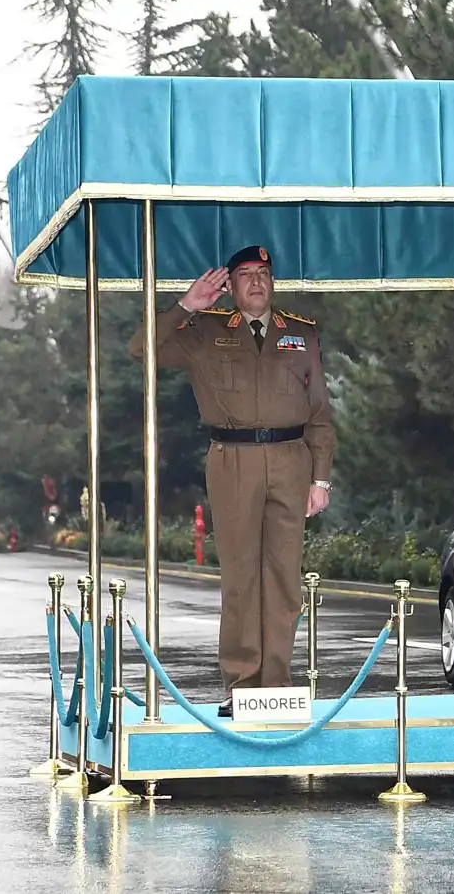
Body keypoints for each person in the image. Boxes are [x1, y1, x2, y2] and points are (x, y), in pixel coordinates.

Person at [128, 244, 334, 717]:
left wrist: (321, 479)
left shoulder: (300, 335)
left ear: (273, 281)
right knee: (240, 575)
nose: (256, 281)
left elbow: (320, 412)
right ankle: (241, 684)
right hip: (233, 458)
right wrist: (186, 305)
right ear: (230, 285)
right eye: (245, 274)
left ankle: (277, 684)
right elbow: (140, 348)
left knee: (284, 577)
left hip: (290, 459)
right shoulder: (205, 331)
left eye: (263, 273)